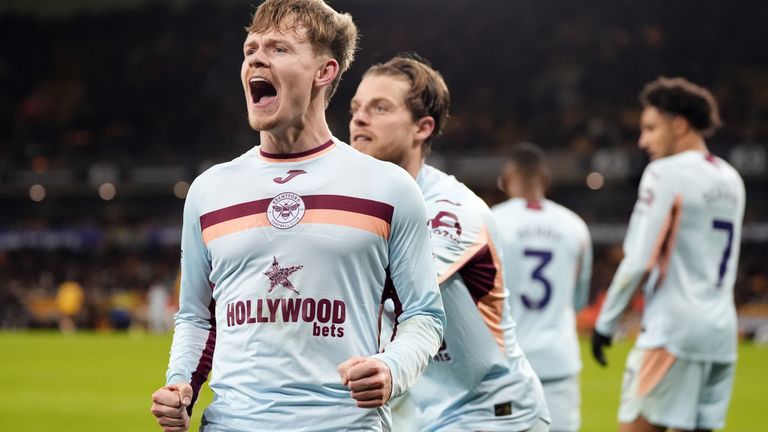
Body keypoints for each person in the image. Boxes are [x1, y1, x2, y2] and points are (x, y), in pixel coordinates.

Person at [150, 2, 446, 431]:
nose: (255, 57)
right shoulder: (209, 191)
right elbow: (197, 316)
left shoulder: (388, 188)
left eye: (279, 48)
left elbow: (424, 315)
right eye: (250, 48)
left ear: (323, 72)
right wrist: (180, 385)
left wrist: (392, 368)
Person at [350, 53, 550, 432]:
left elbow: (387, 285)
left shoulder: (452, 210)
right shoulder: (372, 207)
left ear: (422, 127)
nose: (359, 117)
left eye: (380, 107)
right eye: (356, 107)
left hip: (493, 411)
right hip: (433, 413)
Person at [591, 77, 745, 432]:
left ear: (679, 124)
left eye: (650, 128)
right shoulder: (731, 178)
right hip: (721, 336)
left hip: (673, 332)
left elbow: (640, 260)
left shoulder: (664, 173)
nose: (643, 141)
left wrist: (606, 323)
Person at [492, 142, 593, 432]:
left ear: (506, 179)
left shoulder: (491, 220)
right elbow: (578, 301)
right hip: (558, 363)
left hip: (507, 366)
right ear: (545, 179)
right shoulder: (575, 227)